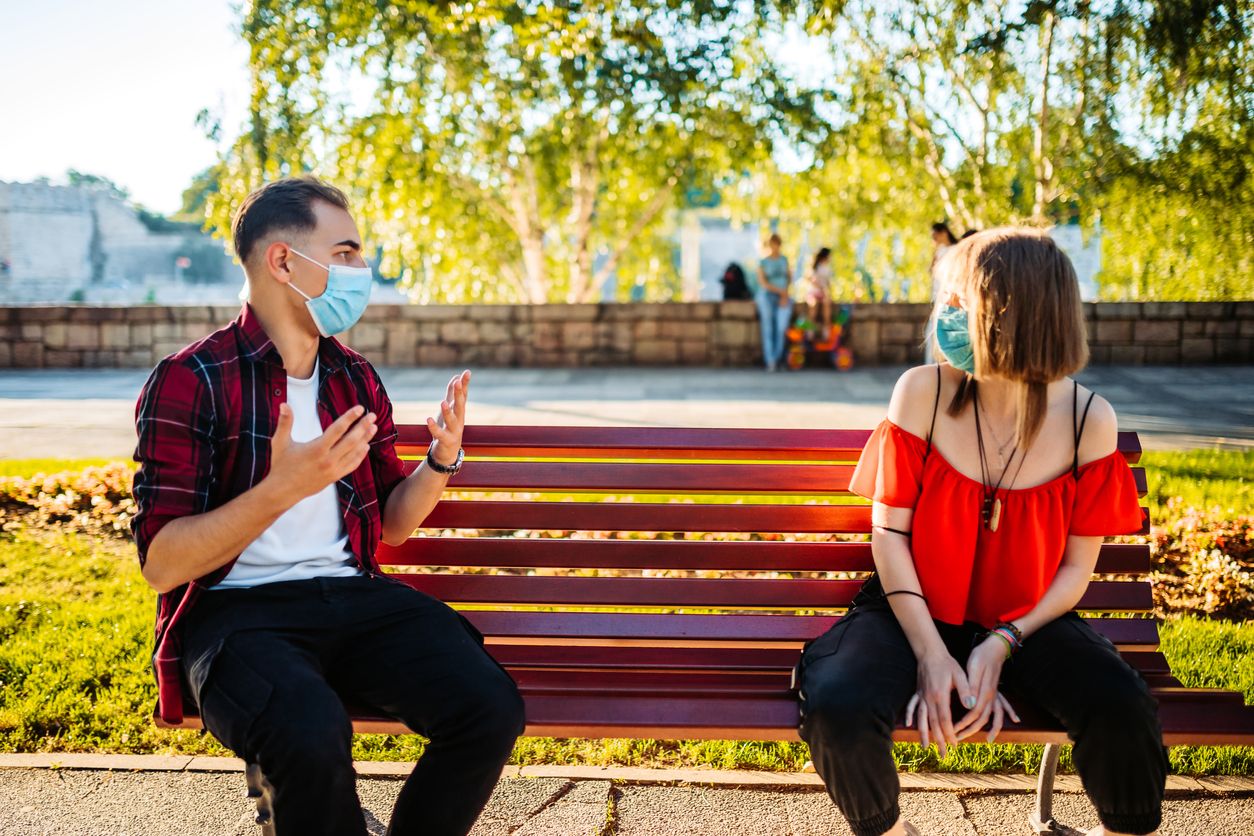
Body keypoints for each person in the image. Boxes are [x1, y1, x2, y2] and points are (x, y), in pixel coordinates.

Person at [131, 177, 525, 836]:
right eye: (343, 254)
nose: (359, 273)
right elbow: (163, 564)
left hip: (352, 600)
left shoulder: (353, 376)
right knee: (310, 732)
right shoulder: (191, 379)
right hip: (237, 617)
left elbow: (393, 524)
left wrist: (441, 460)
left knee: (488, 707)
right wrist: (282, 487)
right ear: (283, 261)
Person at [796, 228, 1165, 836]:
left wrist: (1001, 643)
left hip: (1029, 624)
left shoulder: (1088, 422)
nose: (943, 315)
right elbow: (889, 536)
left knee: (1121, 705)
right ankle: (889, 830)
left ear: (1012, 315)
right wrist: (931, 653)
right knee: (837, 704)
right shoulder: (921, 392)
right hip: (909, 611)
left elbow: (1075, 572)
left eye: (958, 301)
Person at [755, 233, 793, 371]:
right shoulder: (763, 262)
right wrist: (779, 291)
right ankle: (770, 361)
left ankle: (778, 358)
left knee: (781, 327)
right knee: (768, 327)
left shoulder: (784, 260)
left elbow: (789, 278)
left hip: (783, 296)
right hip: (767, 296)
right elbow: (763, 283)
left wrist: (784, 294)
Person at [804, 247, 834, 339]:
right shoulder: (815, 267)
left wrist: (827, 291)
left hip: (823, 293)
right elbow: (811, 279)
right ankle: (810, 331)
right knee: (813, 306)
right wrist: (820, 287)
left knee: (826, 305)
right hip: (814, 292)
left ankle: (826, 329)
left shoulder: (828, 269)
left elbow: (828, 283)